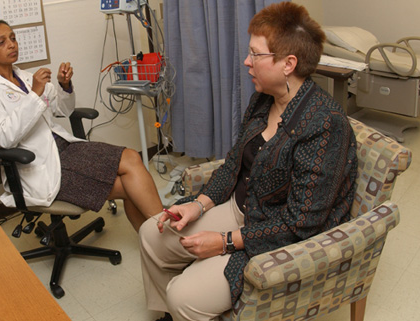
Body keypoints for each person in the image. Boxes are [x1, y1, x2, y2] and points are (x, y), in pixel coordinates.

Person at [139, 2, 358, 320]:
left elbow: (301, 224)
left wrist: (224, 243)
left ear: (288, 63)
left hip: (275, 232)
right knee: (152, 234)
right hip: (243, 207)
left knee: (183, 296)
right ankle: (166, 316)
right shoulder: (263, 98)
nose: (246, 61)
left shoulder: (325, 124)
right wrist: (198, 205)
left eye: (256, 54)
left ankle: (181, 308)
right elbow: (232, 163)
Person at [0, 20, 163, 231]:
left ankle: (160, 237)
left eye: (13, 38)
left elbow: (63, 110)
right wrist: (35, 94)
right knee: (129, 187)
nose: (12, 44)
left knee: (132, 157)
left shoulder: (26, 78)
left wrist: (65, 86)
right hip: (38, 166)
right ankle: (162, 238)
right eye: (2, 42)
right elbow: (4, 137)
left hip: (65, 147)